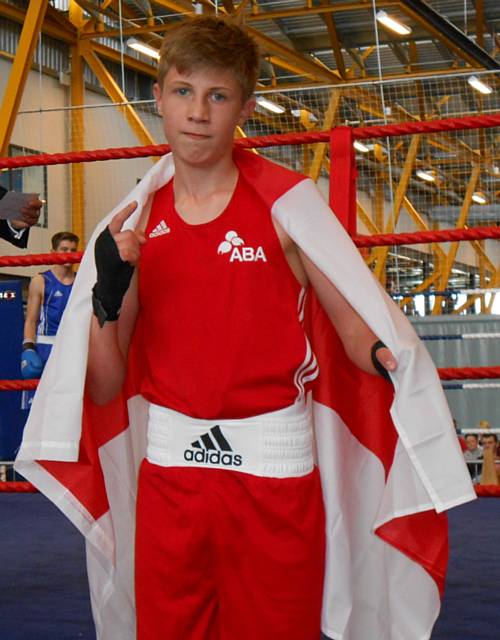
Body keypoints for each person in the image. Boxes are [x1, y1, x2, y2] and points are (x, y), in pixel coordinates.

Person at [16, 16, 475, 640]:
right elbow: (102, 389)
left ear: (244, 107)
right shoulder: (132, 225)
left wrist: (398, 370)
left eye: (217, 95)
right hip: (172, 476)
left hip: (274, 471)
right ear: (159, 98)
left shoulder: (288, 205)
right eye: (183, 92)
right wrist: (106, 304)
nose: (197, 112)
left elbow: (355, 330)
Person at [20, 232, 79, 405]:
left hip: (71, 349)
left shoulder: (82, 281)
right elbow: (31, 319)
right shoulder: (41, 280)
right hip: (45, 348)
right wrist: (28, 348)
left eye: (73, 250)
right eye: (64, 249)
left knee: (68, 404)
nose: (69, 253)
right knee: (38, 406)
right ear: (53, 252)